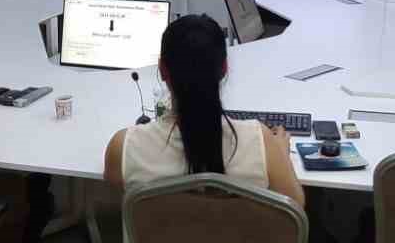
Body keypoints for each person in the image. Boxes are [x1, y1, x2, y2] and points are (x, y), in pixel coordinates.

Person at [103, 13, 304, 208]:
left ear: (162, 69)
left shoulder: (123, 147)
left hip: (162, 233)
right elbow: (294, 206)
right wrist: (280, 154)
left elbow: (113, 208)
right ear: (224, 68)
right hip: (235, 233)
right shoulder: (260, 141)